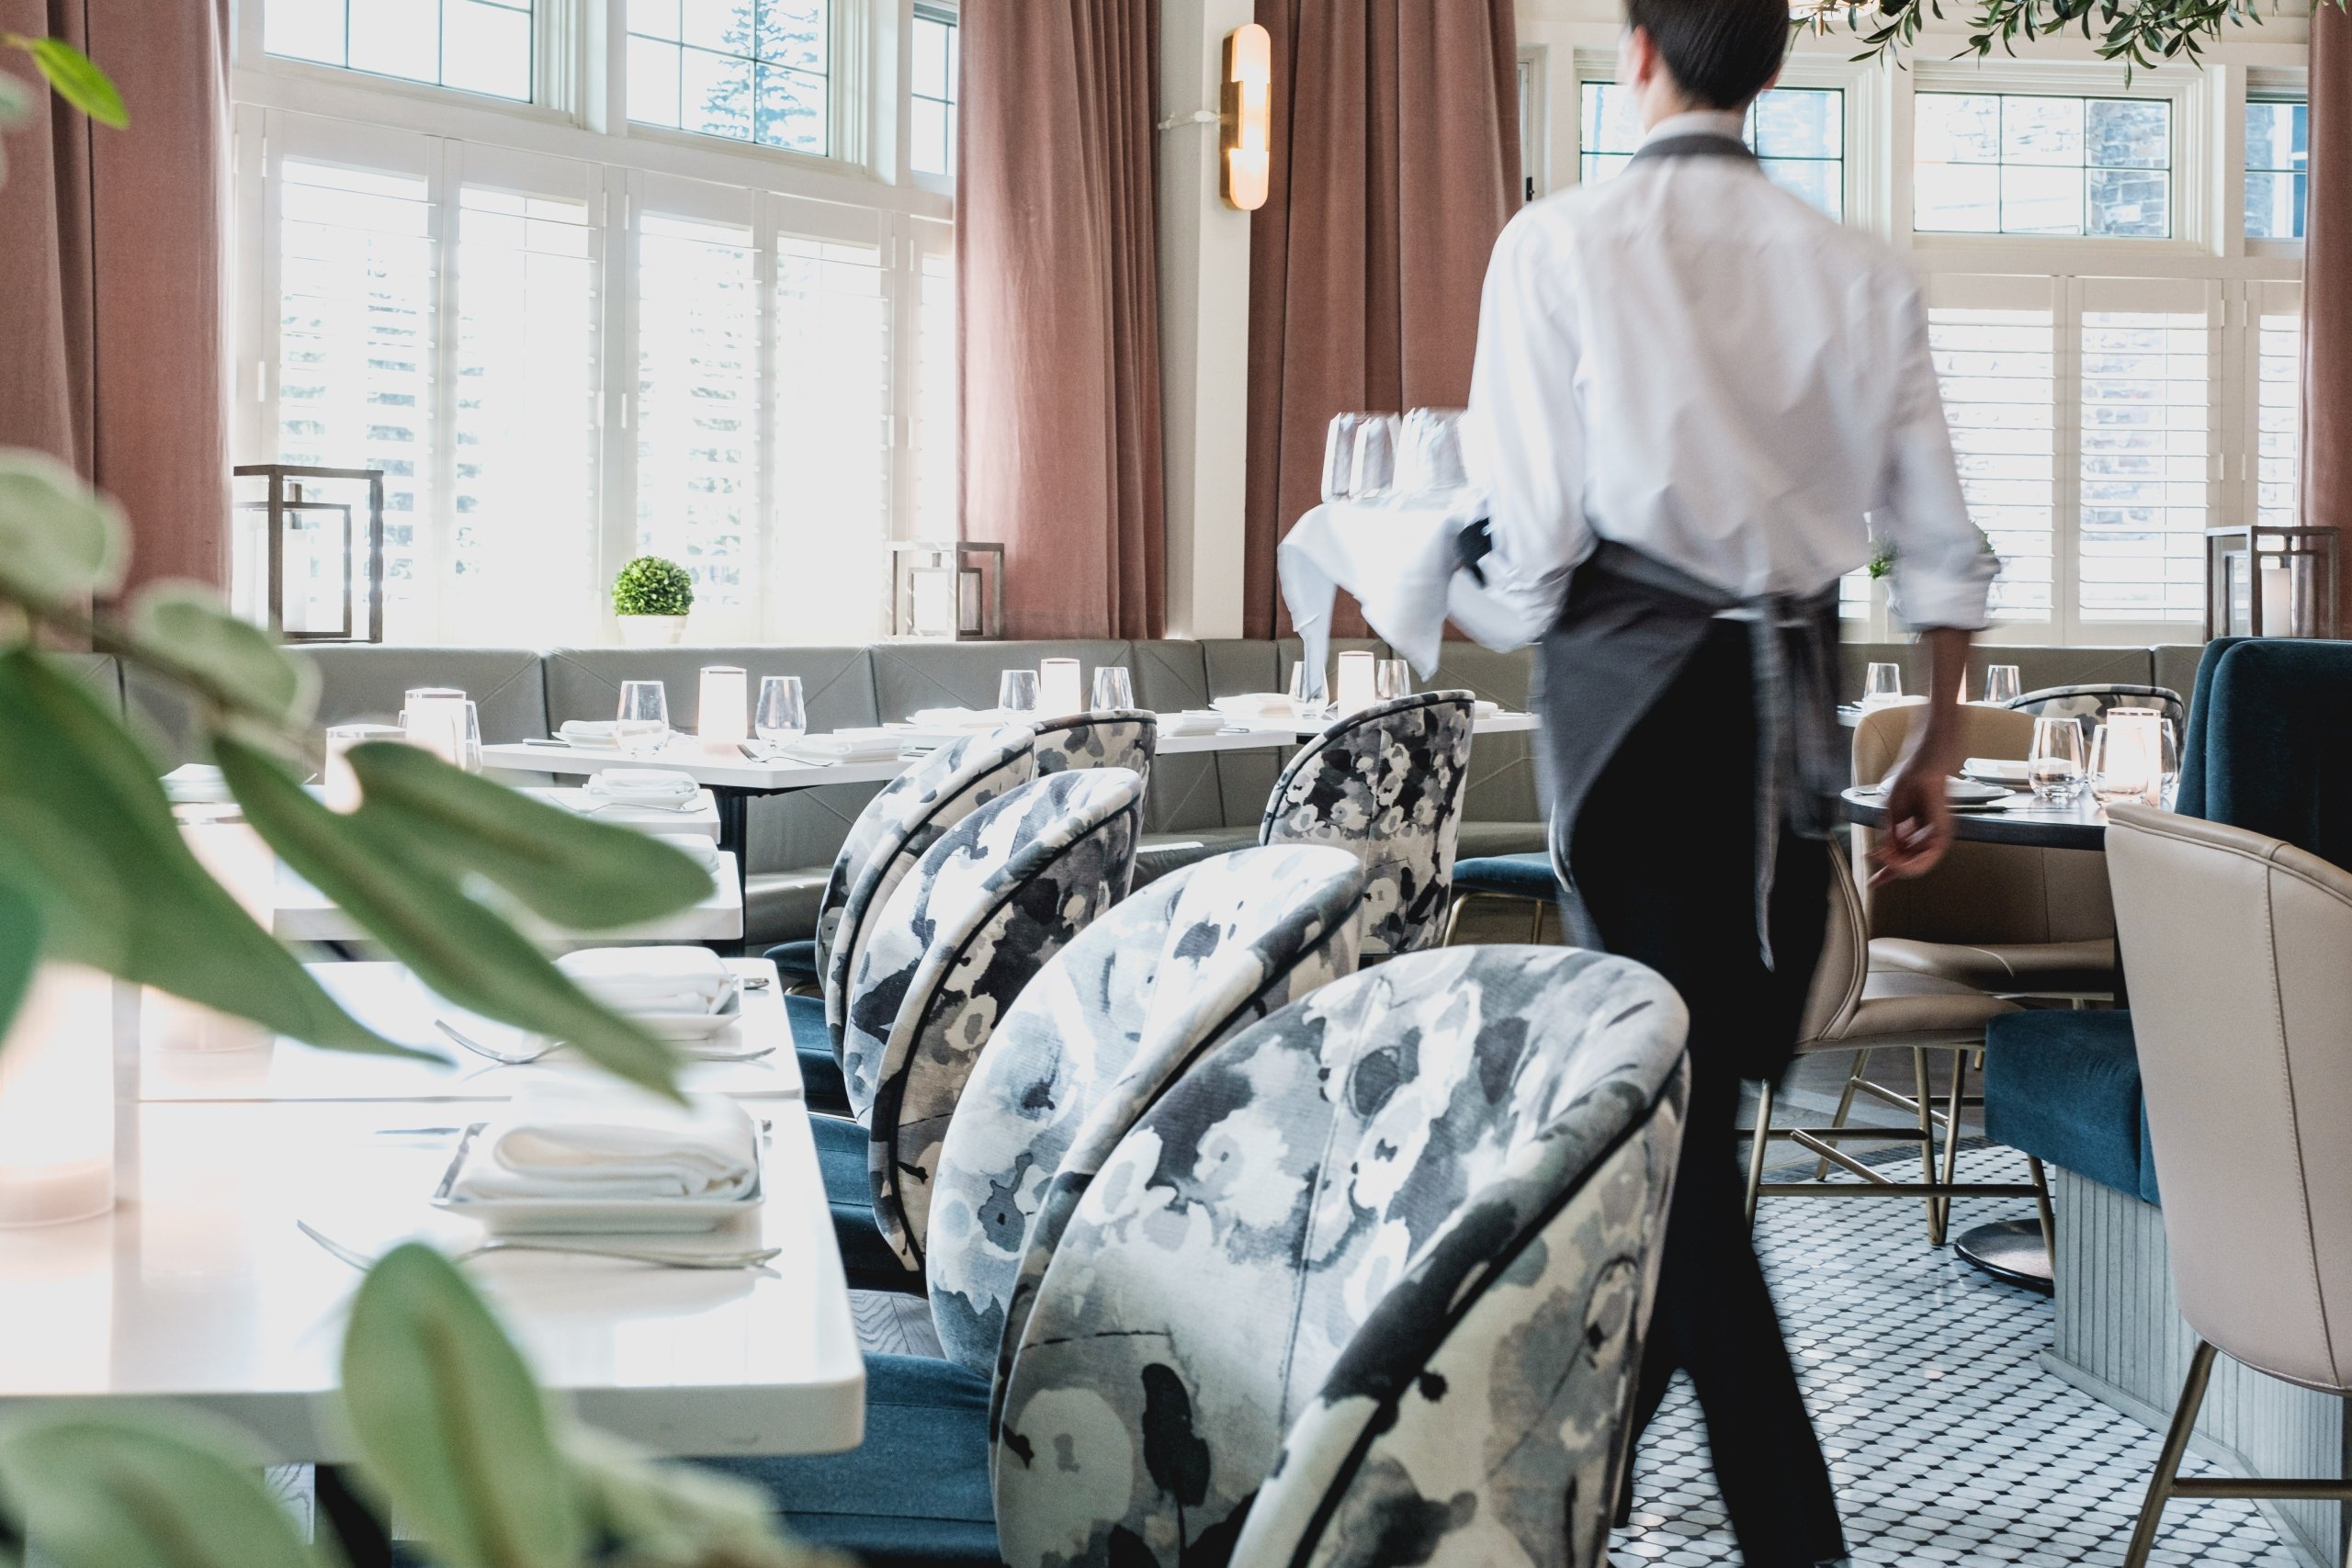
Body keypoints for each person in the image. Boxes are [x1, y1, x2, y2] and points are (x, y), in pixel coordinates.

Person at [1459, 0, 1996, 1563]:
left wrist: (1454, 572)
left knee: (1672, 1145)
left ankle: (1779, 1532)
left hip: (1639, 726)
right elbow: (1939, 541)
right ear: (1770, 66)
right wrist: (1936, 742)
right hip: (1794, 738)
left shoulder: (1558, 245)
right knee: (1692, 1124)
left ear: (1640, 50)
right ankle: (1573, 1494)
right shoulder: (1860, 272)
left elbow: (1535, 543)